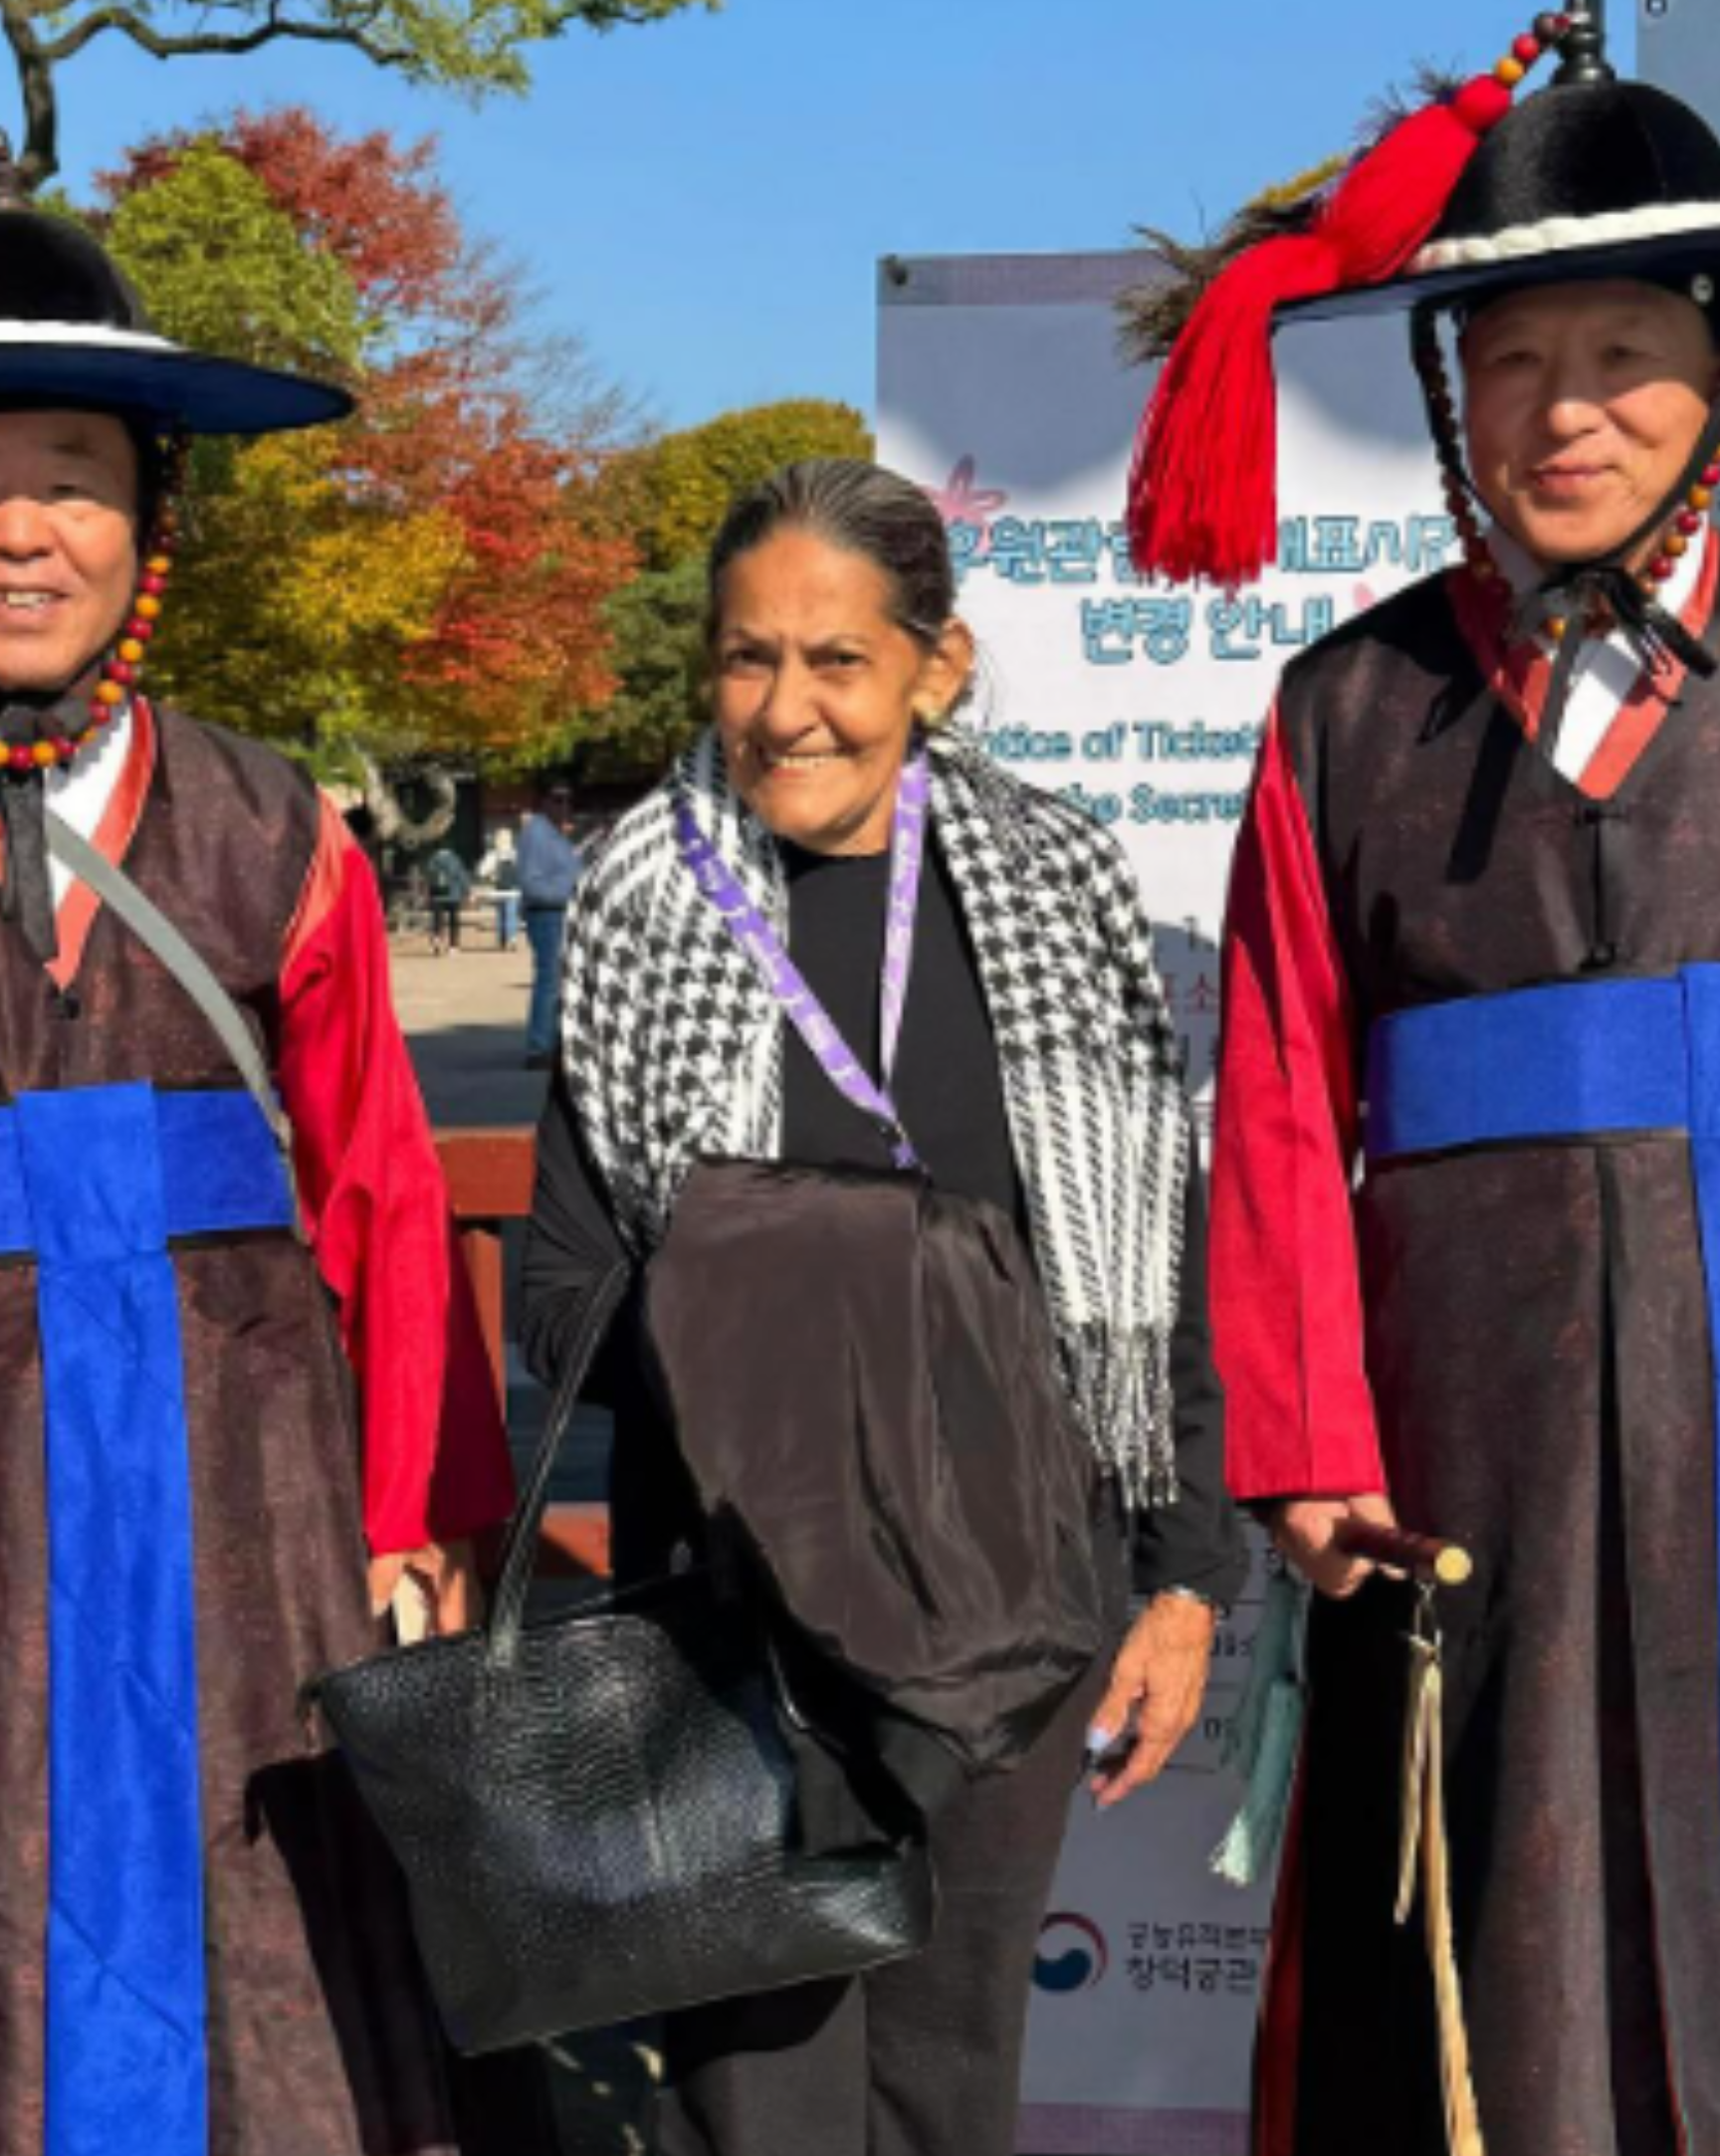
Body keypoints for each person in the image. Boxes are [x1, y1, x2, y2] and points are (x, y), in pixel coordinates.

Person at [0, 141, 532, 2153]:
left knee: (271, 1919)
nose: (24, 528)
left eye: (77, 470)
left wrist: (410, 1513)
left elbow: (382, 1191)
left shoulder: (270, 820)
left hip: (248, 1495)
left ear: (157, 509)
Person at [1134, 16, 1720, 2148]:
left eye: (1623, 350)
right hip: (1457, 1421)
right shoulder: (1342, 711)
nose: (1566, 411)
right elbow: (1282, 1096)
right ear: (1444, 390)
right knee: (1499, 1879)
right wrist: (1304, 1438)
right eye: (1510, 359)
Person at [517, 460, 1236, 2156]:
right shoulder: (638, 906)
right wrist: (804, 1320)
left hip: (1015, 1604)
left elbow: (1157, 1273)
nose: (786, 710)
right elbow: (555, 1297)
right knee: (744, 2095)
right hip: (730, 1607)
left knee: (948, 2074)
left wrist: (1185, 1575)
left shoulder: (1059, 894)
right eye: (746, 658)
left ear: (938, 665)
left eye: (836, 660)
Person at [514, 788, 583, 1065]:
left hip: (562, 912)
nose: (565, 805)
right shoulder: (537, 834)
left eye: (568, 800)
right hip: (548, 914)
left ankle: (553, 1040)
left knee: (561, 981)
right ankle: (539, 1046)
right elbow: (532, 884)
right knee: (549, 980)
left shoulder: (556, 835)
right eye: (557, 799)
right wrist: (569, 894)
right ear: (543, 802)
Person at [423, 842, 473, 955]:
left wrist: (427, 895)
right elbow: (462, 877)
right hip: (453, 895)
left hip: (437, 895)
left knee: (437, 920)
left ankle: (437, 938)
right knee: (454, 921)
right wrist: (468, 892)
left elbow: (428, 879)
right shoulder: (455, 859)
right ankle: (453, 946)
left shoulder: (432, 860)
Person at [479, 821, 521, 951]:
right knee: (511, 914)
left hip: (499, 888)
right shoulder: (515, 853)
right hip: (514, 889)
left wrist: (491, 875)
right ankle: (512, 938)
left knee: (501, 914)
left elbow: (482, 871)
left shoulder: (493, 854)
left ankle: (502, 939)